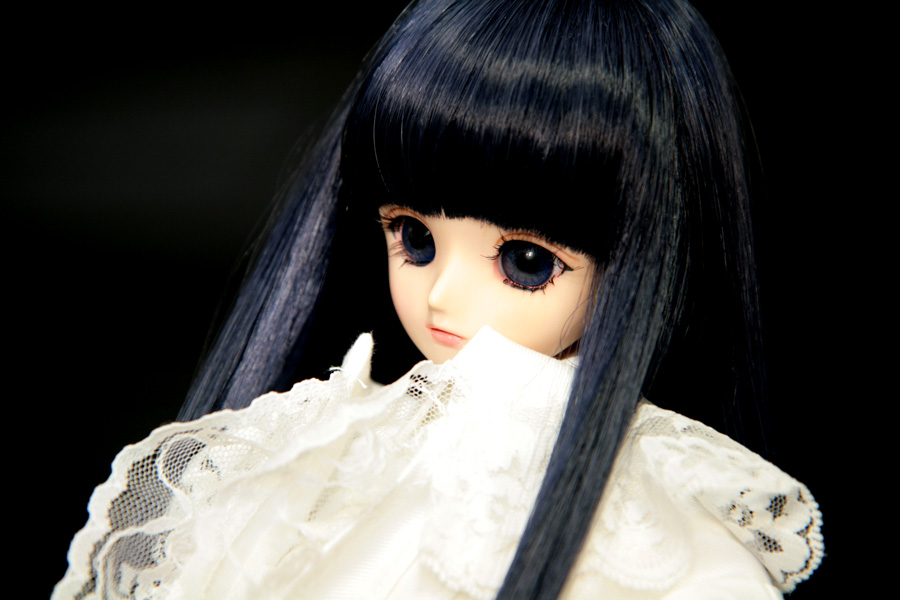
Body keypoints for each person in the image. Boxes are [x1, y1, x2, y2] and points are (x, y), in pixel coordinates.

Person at [54, 1, 823, 598]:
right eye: (413, 237)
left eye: (525, 262)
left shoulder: (655, 525)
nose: (442, 296)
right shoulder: (324, 442)